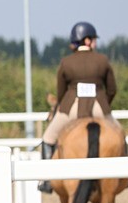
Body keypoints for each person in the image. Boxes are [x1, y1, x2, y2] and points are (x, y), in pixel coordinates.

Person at [39, 22, 121, 193]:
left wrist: (59, 108)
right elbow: (112, 89)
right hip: (98, 107)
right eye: (94, 39)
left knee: (48, 138)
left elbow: (61, 92)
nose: (95, 43)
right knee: (119, 134)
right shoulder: (102, 60)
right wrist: (105, 105)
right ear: (87, 40)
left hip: (72, 108)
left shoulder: (66, 62)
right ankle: (126, 177)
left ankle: (46, 180)